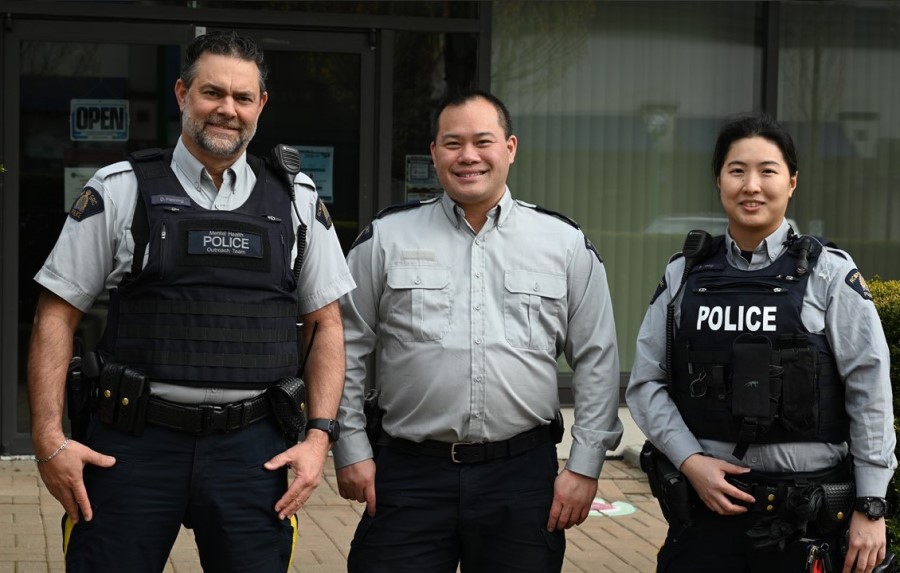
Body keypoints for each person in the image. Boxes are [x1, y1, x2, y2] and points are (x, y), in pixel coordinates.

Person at [27, 30, 355, 573]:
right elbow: (56, 313)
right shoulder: (120, 189)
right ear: (182, 94)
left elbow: (326, 326)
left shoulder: (297, 202)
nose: (227, 109)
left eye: (242, 97)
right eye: (212, 93)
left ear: (260, 106)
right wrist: (49, 438)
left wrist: (319, 438)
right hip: (132, 446)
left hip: (255, 453)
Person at [331, 88, 623, 572]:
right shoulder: (385, 238)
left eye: (482, 142)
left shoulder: (564, 244)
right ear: (434, 153)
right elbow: (345, 346)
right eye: (453, 143)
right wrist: (350, 447)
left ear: (510, 148)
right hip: (408, 474)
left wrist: (585, 465)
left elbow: (597, 358)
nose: (468, 156)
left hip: (522, 479)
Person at [626, 112, 897, 573]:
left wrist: (871, 505)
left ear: (791, 182)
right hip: (706, 513)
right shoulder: (685, 274)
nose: (751, 185)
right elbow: (645, 384)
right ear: (719, 181)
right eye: (737, 171)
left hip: (804, 520)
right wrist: (690, 461)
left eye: (767, 171)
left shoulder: (829, 274)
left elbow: (868, 387)